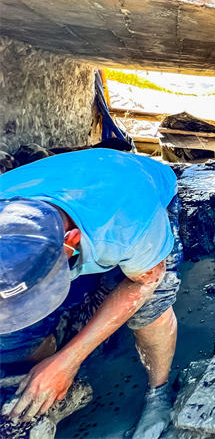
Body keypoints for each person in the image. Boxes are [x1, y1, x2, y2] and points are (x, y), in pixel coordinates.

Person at [0, 149, 182, 439]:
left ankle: (157, 394)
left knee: (150, 310)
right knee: (14, 332)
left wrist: (69, 360)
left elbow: (145, 283)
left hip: (135, 185)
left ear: (70, 242)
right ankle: (44, 390)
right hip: (65, 186)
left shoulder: (127, 225)